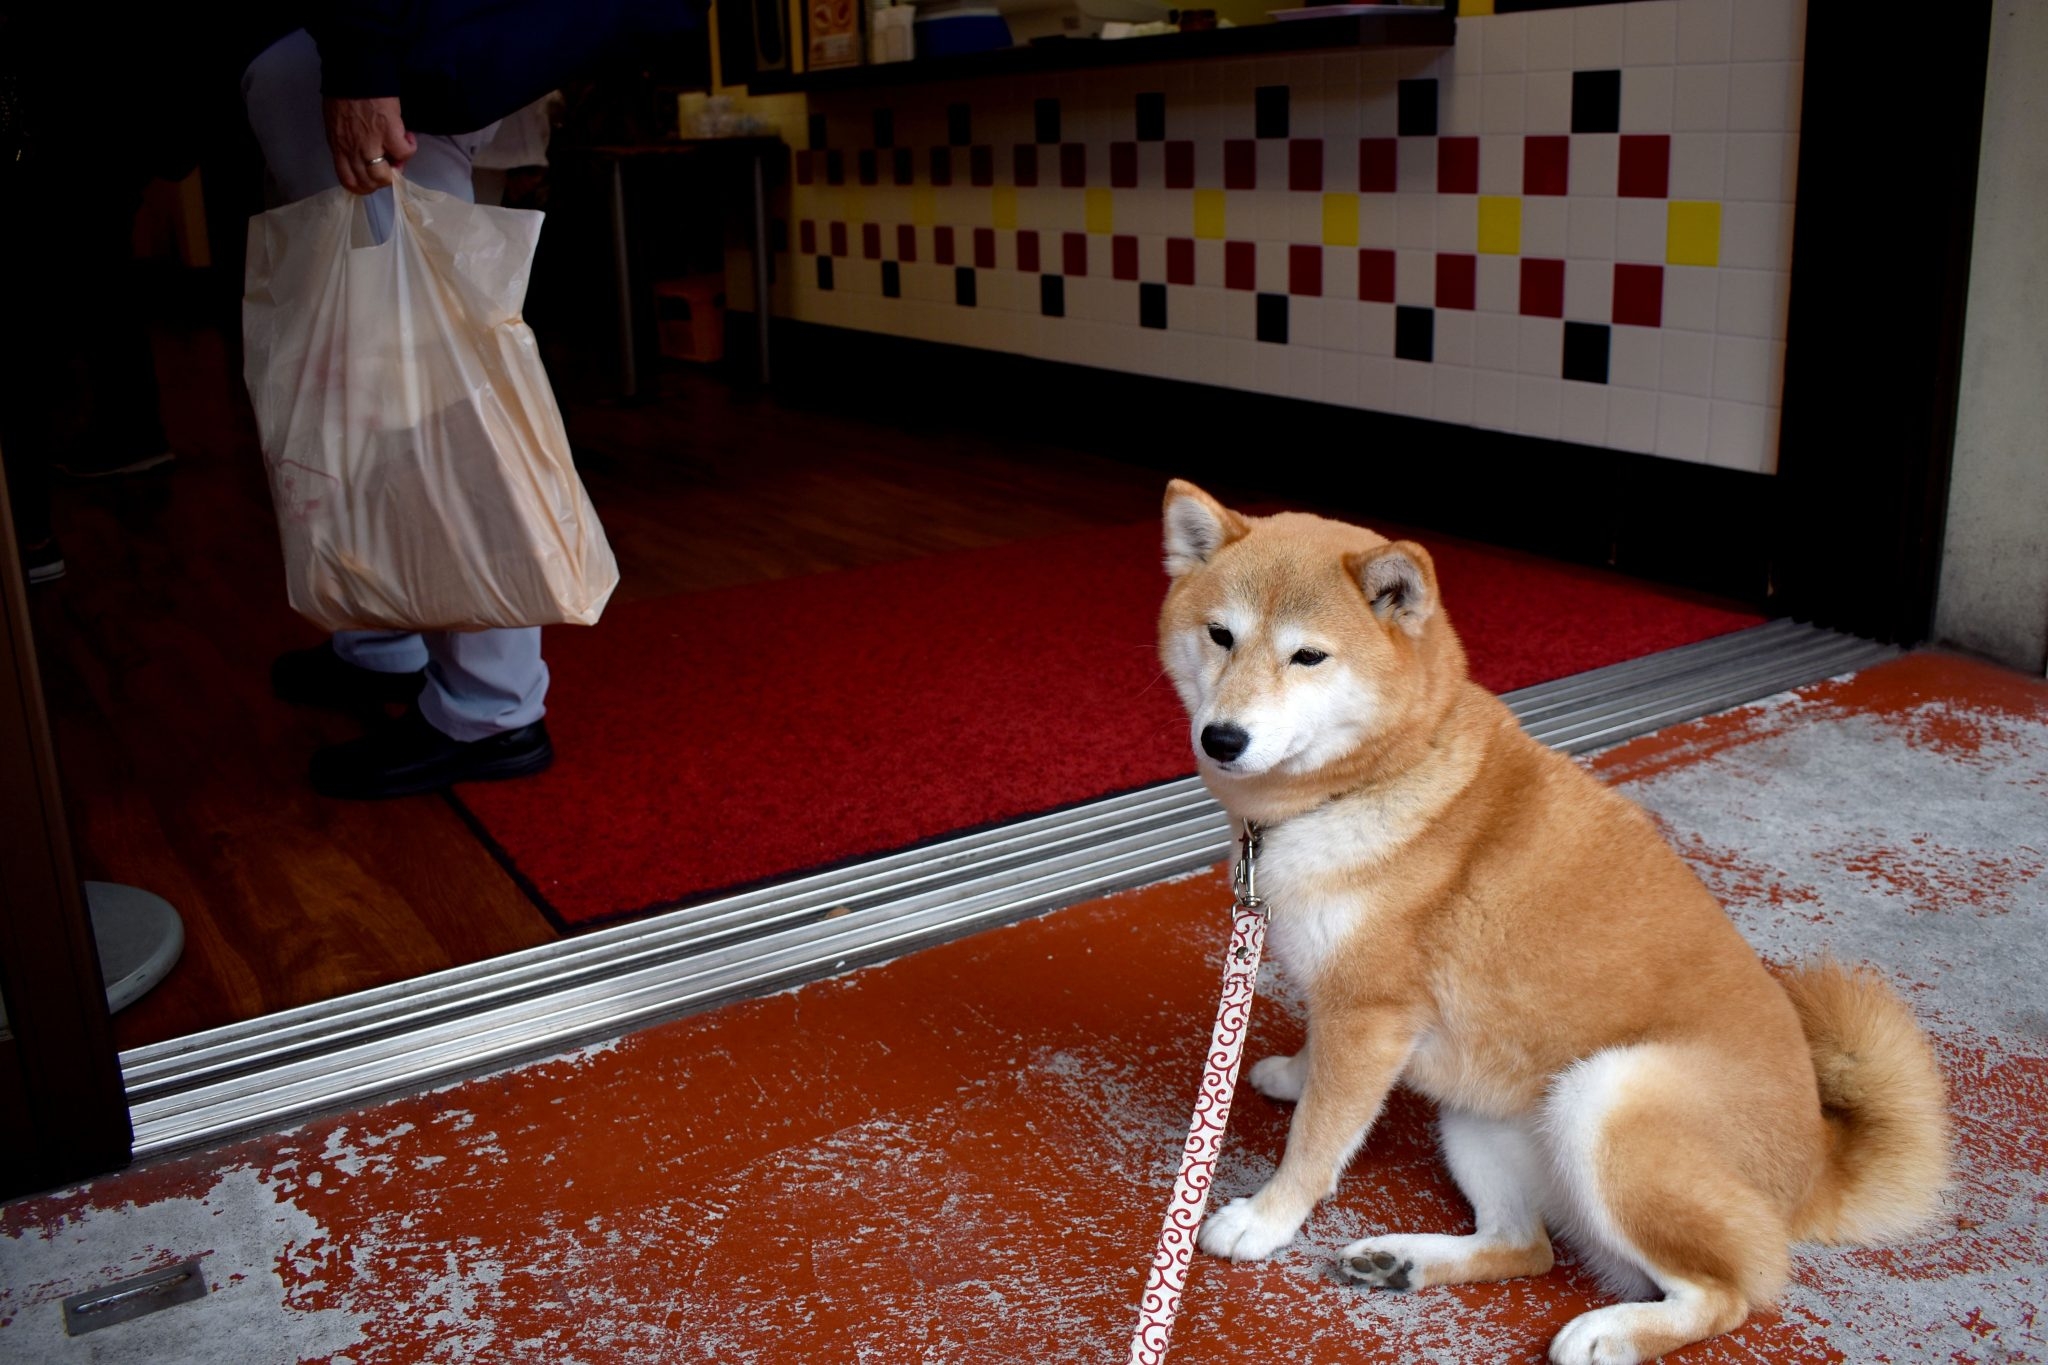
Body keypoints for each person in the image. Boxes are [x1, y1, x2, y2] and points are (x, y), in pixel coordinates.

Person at [243, 3, 705, 799]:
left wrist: (363, 64)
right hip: (374, 47)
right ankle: (388, 634)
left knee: (428, 386)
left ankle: (490, 706)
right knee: (376, 375)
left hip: (393, 49)